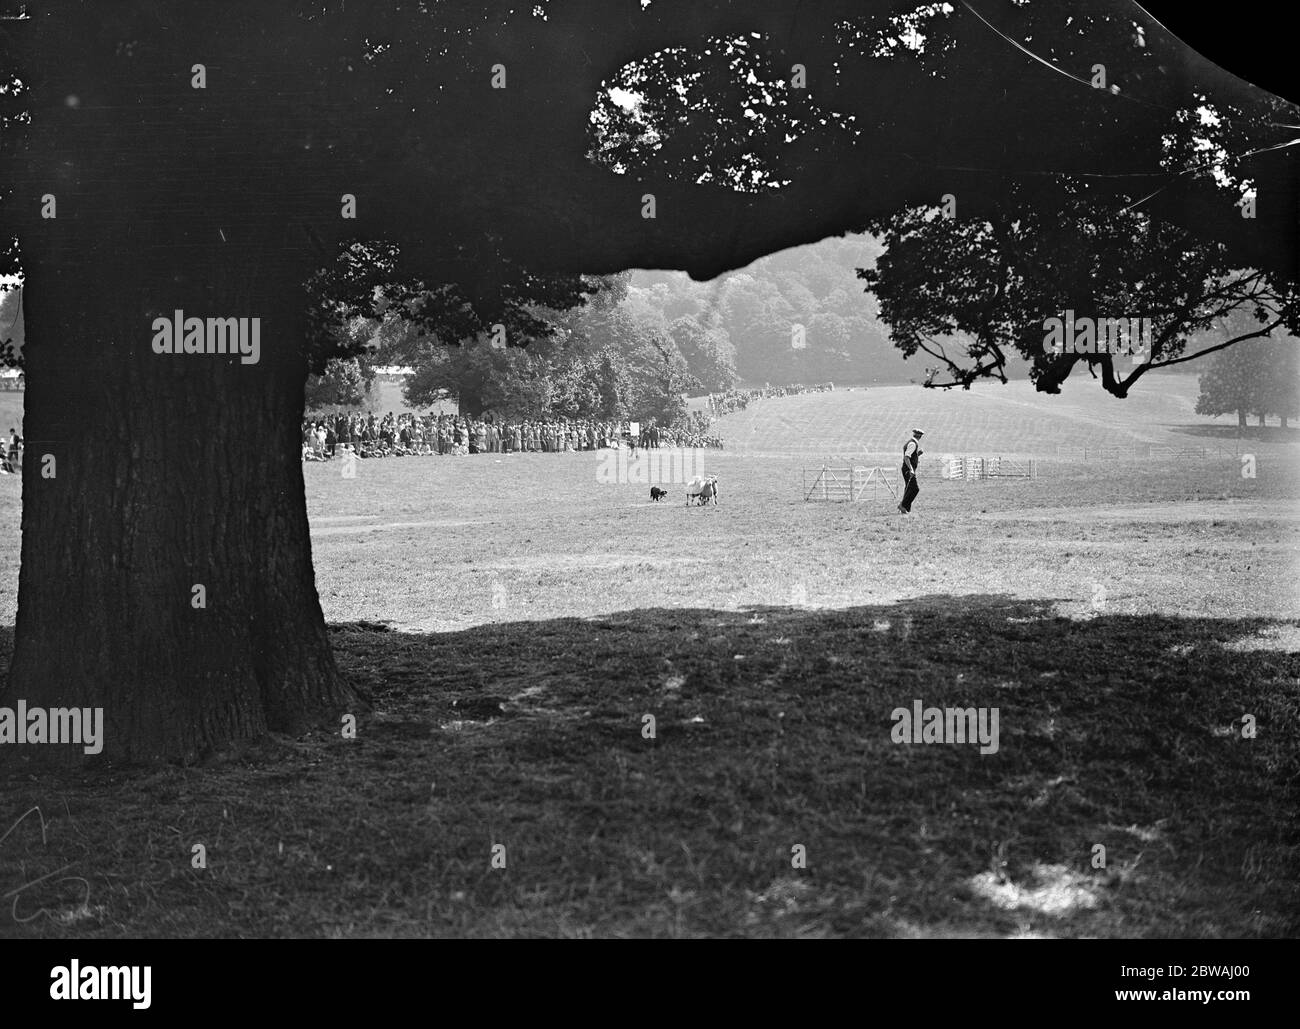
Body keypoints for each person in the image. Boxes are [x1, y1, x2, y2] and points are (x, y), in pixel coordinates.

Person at [899, 428, 924, 515]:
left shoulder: (911, 442)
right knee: (915, 489)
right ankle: (903, 505)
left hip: (907, 469)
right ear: (919, 436)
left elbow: (911, 456)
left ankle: (906, 508)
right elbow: (906, 457)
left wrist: (918, 454)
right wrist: (911, 469)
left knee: (909, 488)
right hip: (908, 470)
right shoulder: (913, 444)